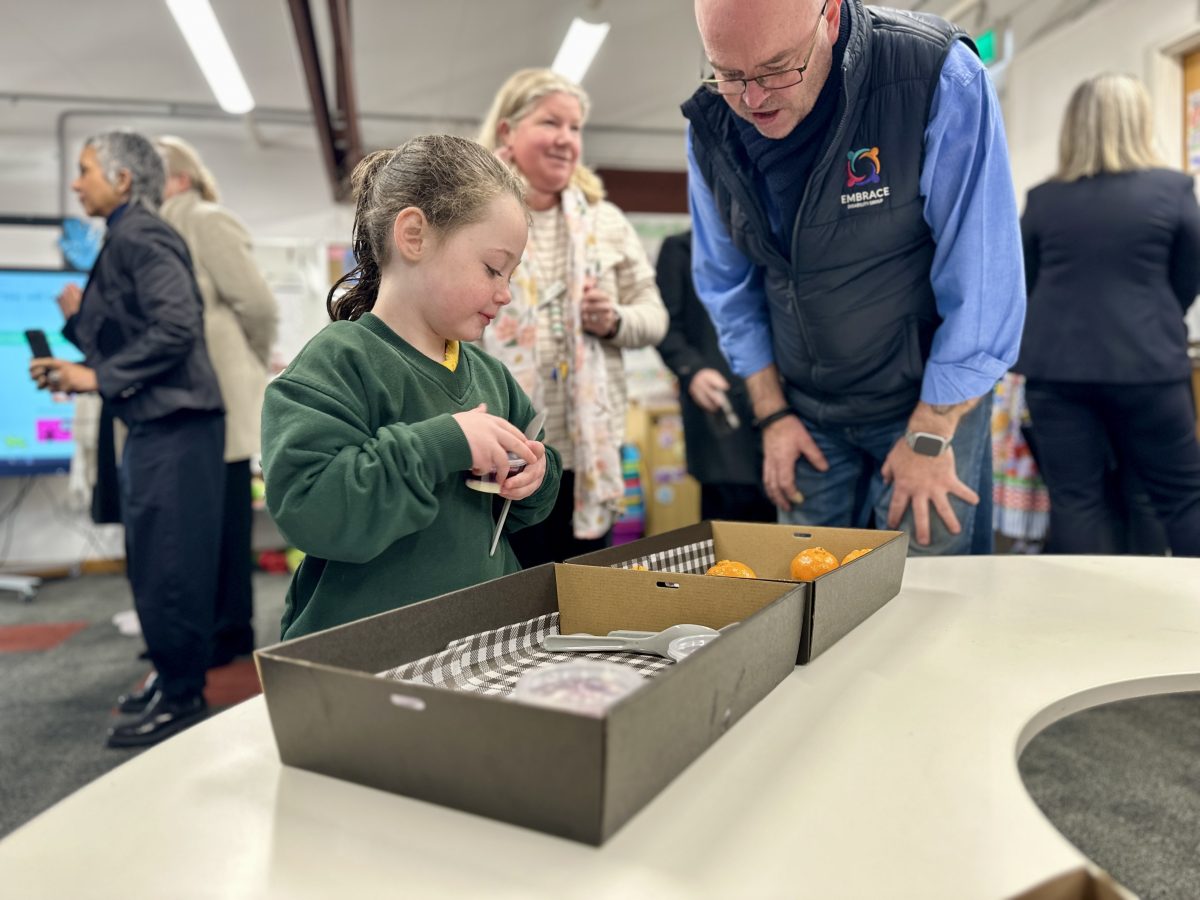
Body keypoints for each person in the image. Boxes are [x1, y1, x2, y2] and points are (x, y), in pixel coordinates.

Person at [684, 0, 1026, 554]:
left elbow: (984, 278)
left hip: (927, 401)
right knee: (807, 591)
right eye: (729, 75)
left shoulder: (933, 75)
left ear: (832, 18)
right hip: (804, 415)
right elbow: (728, 288)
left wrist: (932, 429)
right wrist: (772, 415)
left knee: (932, 598)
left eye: (776, 69)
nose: (752, 99)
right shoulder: (712, 124)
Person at [260, 134, 561, 640]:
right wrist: (442, 442)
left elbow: (525, 499)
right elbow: (310, 509)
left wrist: (537, 476)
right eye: (492, 268)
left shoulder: (492, 378)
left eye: (511, 274)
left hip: (479, 646)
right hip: (362, 658)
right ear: (414, 235)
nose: (505, 294)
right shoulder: (339, 362)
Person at [31, 130, 225, 747]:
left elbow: (176, 326)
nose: (74, 181)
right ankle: (172, 679)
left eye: (84, 170)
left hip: (176, 427)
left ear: (120, 181)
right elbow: (132, 340)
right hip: (158, 424)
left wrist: (94, 374)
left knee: (170, 565)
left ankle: (184, 695)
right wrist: (76, 330)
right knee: (153, 562)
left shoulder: (141, 234)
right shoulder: (126, 237)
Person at [477, 68, 669, 565]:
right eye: (550, 123)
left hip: (586, 457)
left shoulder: (605, 221)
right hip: (501, 451)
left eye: (575, 127)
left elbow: (655, 316)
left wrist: (615, 321)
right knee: (509, 592)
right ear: (507, 133)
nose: (566, 139)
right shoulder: (472, 218)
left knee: (582, 595)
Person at [1015, 73, 1200, 556]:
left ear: (1074, 127)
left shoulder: (1043, 200)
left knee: (1076, 501)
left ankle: (1088, 624)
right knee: (1177, 499)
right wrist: (1153, 318)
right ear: (1139, 121)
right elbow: (1186, 278)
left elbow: (1026, 284)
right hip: (1149, 366)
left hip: (1057, 371)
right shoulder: (1173, 189)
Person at [157, 135, 280, 666]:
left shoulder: (205, 219)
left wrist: (251, 358)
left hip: (221, 395)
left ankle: (229, 634)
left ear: (181, 178)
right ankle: (209, 631)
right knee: (202, 522)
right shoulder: (161, 225)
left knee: (225, 522)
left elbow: (257, 303)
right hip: (188, 398)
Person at [655, 229, 774, 522]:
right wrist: (692, 371)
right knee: (727, 529)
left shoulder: (769, 241)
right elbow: (664, 326)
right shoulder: (680, 248)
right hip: (719, 409)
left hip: (783, 408)